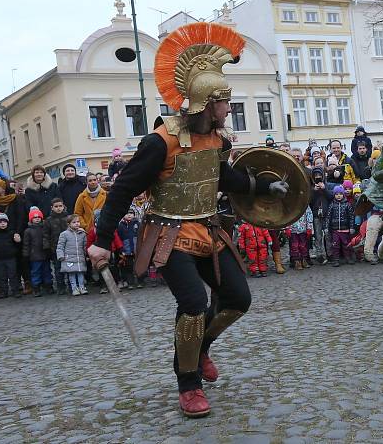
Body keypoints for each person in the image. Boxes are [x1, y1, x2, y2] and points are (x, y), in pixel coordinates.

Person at [87, 22, 290, 418]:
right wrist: (100, 239)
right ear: (204, 102)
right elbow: (123, 190)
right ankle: (189, 384)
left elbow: (224, 178)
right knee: (194, 304)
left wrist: (264, 187)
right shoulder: (158, 143)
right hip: (168, 234)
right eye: (224, 102)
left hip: (209, 228)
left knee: (237, 299)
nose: (228, 109)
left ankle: (200, 349)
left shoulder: (217, 140)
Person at [0, 178, 29, 296]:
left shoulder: (15, 199)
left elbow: (21, 216)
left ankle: (20, 284)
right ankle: (2, 287)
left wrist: (18, 232)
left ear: (3, 188)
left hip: (14, 233)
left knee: (18, 260)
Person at [22, 206, 52, 297]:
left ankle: (48, 286)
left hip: (45, 254)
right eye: (35, 218)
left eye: (38, 217)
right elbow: (26, 244)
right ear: (31, 219)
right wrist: (26, 254)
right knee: (36, 272)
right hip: (34, 255)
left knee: (47, 271)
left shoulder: (45, 228)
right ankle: (36, 287)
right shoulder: (28, 231)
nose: (37, 219)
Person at [56, 214, 87, 296]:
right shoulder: (64, 234)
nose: (77, 224)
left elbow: (85, 246)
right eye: (74, 222)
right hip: (69, 258)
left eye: (78, 222)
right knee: (72, 274)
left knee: (80, 273)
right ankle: (74, 288)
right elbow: (60, 246)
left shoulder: (82, 234)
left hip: (79, 257)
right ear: (69, 224)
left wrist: (86, 255)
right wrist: (60, 255)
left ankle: (82, 287)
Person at [44, 198, 69, 295]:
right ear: (52, 208)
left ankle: (72, 285)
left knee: (70, 268)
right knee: (58, 268)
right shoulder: (48, 220)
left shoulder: (68, 218)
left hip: (69, 247)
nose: (58, 208)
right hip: (55, 248)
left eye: (60, 206)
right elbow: (46, 235)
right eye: (56, 206)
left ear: (63, 206)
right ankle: (60, 286)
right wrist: (47, 248)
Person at [326, 185, 354, 266]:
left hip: (345, 229)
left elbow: (351, 217)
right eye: (337, 194)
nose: (339, 196)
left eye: (340, 194)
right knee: (335, 245)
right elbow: (328, 217)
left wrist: (351, 227)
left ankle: (348, 258)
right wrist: (326, 227)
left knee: (346, 245)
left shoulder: (347, 205)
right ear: (334, 195)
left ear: (343, 195)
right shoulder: (332, 205)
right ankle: (336, 260)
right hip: (335, 230)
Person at [309, 167, 330, 264]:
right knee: (318, 236)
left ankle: (330, 254)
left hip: (326, 214)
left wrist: (324, 189)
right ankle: (319, 255)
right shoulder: (311, 188)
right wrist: (314, 191)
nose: (318, 177)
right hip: (316, 215)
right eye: (316, 176)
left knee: (327, 234)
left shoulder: (327, 185)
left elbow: (331, 197)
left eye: (319, 175)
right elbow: (309, 201)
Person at [117, 210, 140, 289]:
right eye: (127, 213)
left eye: (131, 213)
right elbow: (119, 238)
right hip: (127, 250)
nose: (129, 215)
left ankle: (140, 281)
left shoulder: (137, 224)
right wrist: (121, 250)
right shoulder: (121, 225)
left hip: (136, 249)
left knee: (138, 265)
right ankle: (130, 283)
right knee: (129, 267)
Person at [288, 206, 313, 270]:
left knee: (303, 245)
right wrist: (287, 228)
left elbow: (309, 215)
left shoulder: (304, 204)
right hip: (293, 230)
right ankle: (297, 261)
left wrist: (309, 227)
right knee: (294, 246)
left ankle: (304, 259)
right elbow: (286, 216)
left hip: (303, 229)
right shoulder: (290, 205)